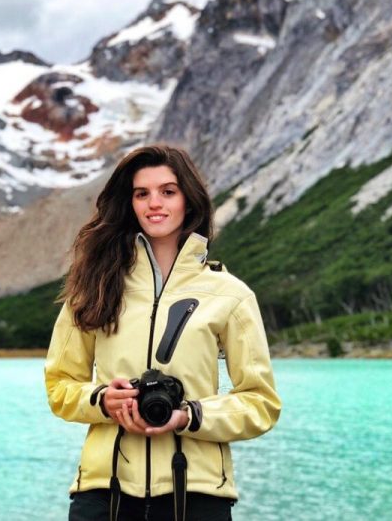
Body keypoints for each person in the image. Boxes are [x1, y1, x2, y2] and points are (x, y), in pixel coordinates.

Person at [44, 145, 281, 521]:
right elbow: (60, 386)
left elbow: (261, 403)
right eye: (142, 194)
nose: (154, 203)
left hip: (198, 493)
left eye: (168, 191)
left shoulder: (231, 295)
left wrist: (189, 416)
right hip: (104, 491)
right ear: (130, 203)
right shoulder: (92, 288)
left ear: (189, 199)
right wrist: (103, 400)